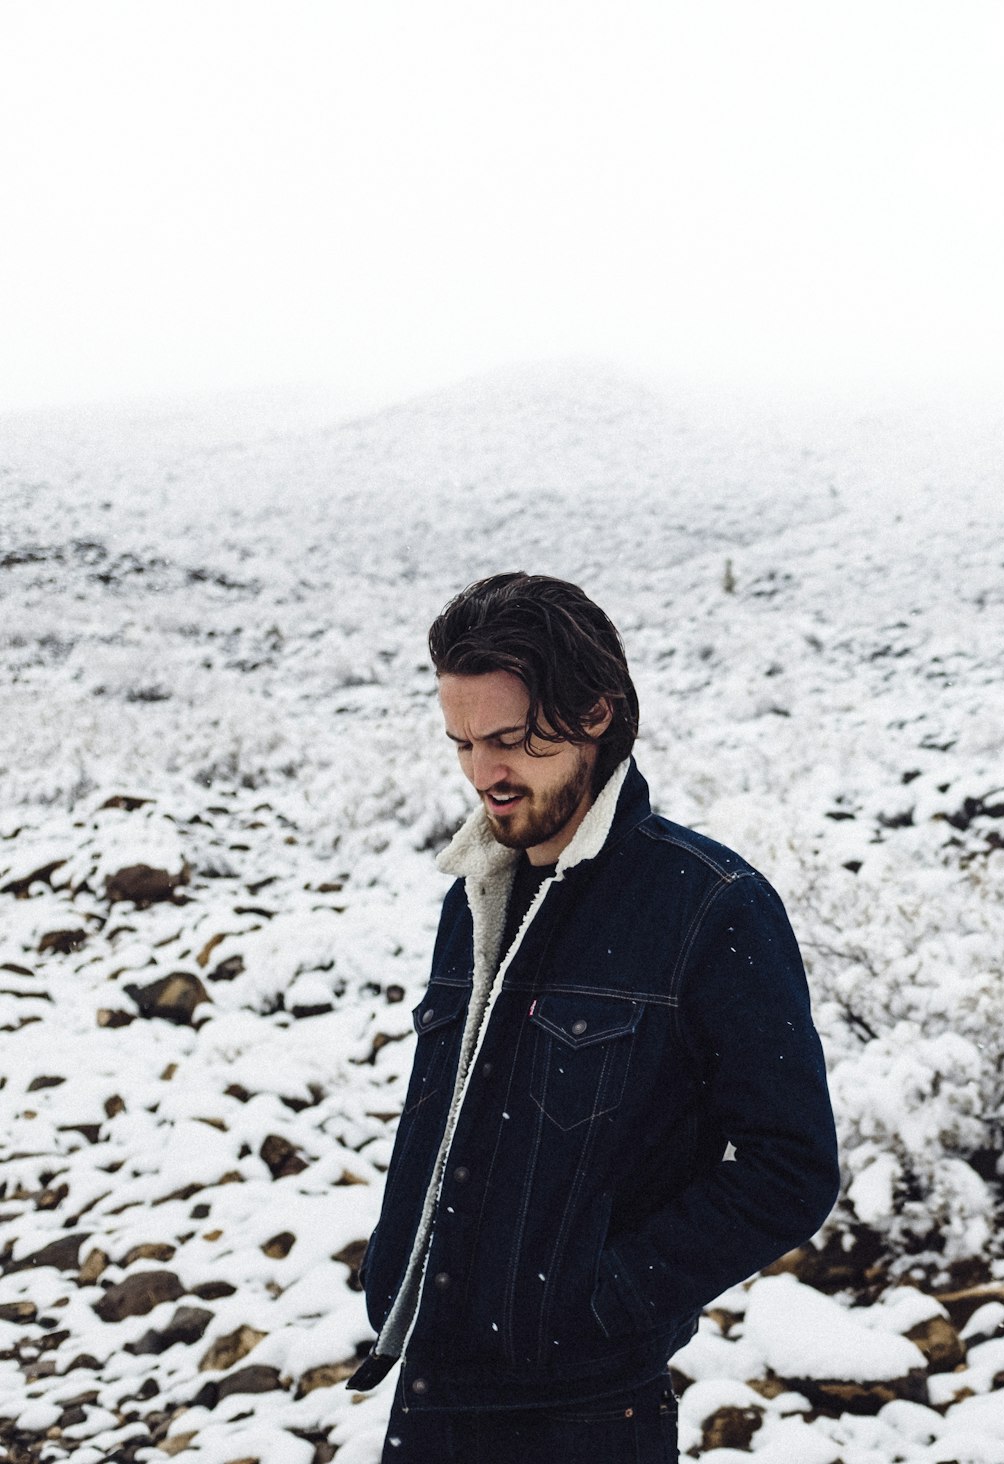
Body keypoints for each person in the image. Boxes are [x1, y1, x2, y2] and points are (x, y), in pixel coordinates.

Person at [347, 572, 839, 1462]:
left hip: (583, 1416)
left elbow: (791, 1167)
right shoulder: (476, 893)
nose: (483, 774)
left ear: (595, 714)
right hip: (429, 1385)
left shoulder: (708, 905)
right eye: (461, 743)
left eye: (508, 741)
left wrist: (598, 1302)